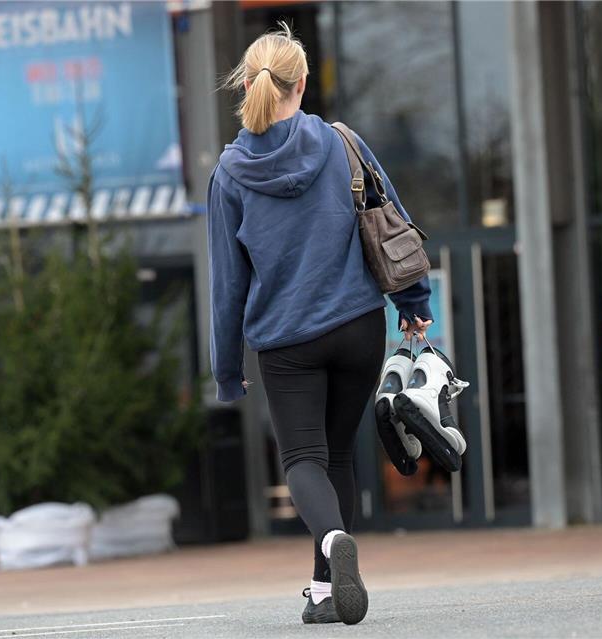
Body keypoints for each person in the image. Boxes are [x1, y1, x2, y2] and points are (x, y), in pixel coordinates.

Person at [206, 23, 432, 626]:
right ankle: (326, 589)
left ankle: (333, 545)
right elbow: (392, 216)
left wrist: (227, 370)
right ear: (301, 82)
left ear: (248, 87)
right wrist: (413, 303)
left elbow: (228, 284)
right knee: (337, 457)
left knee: (302, 457)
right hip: (360, 325)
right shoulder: (341, 142)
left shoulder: (229, 174)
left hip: (287, 341)